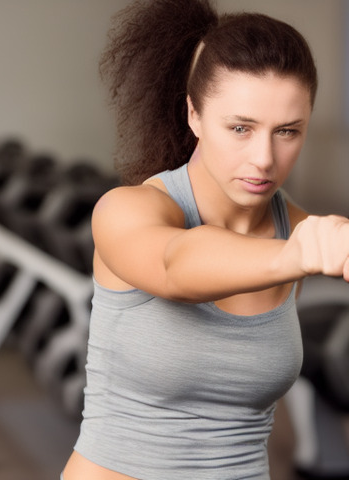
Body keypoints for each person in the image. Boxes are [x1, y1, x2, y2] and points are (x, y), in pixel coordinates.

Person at [62, 1, 349, 479]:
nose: (263, 158)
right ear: (193, 114)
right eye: (241, 128)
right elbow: (177, 265)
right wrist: (296, 254)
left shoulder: (299, 232)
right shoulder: (127, 211)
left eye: (287, 132)